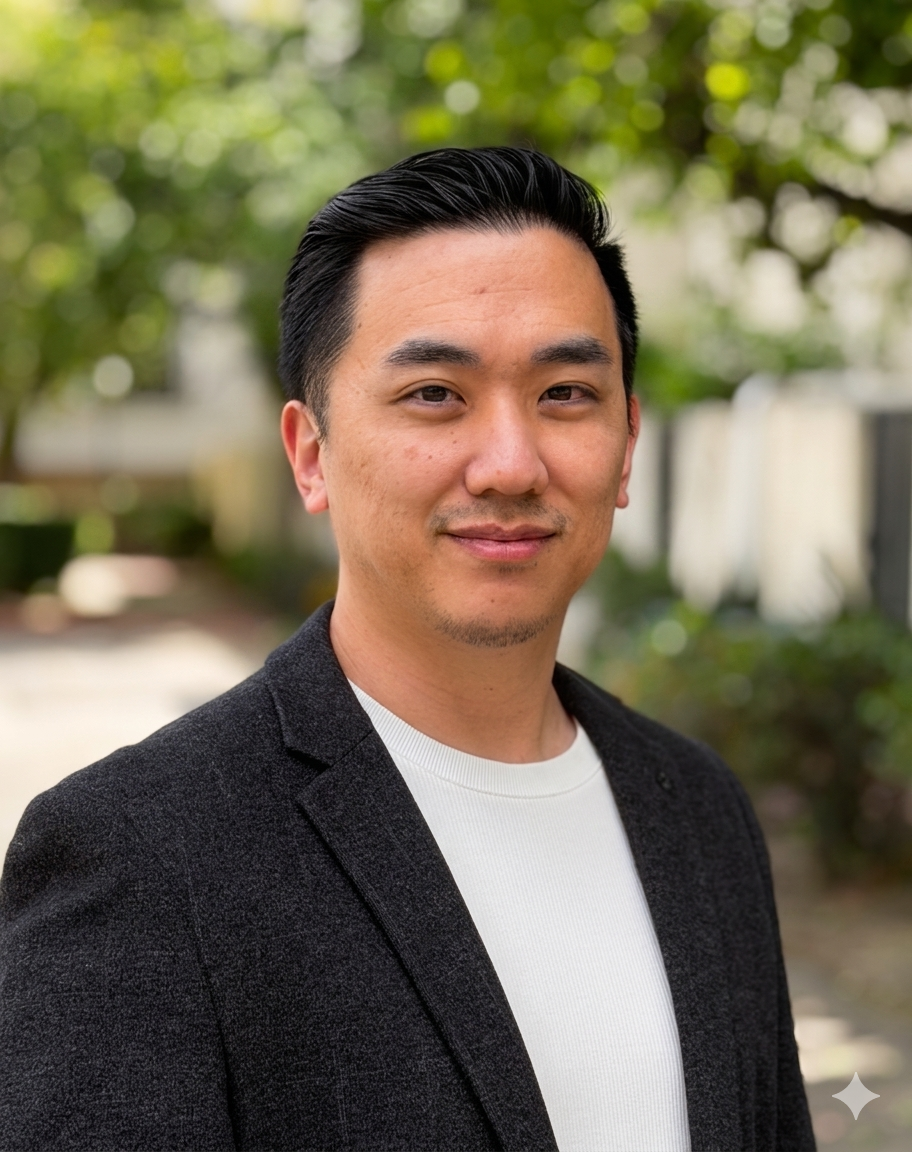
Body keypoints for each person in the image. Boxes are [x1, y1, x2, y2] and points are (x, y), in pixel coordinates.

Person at [0, 148, 814, 1152]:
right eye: (435, 393)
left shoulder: (699, 810)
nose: (512, 463)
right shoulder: (139, 854)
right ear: (311, 453)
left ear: (627, 444)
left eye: (566, 393)